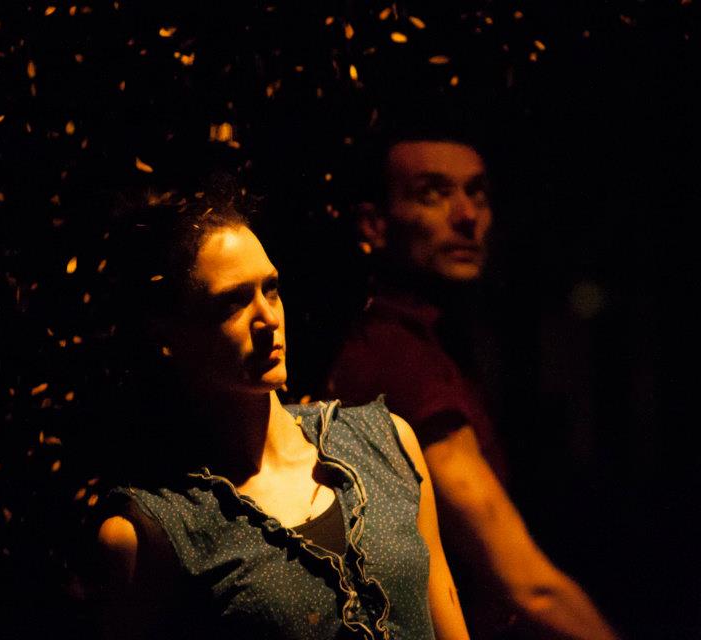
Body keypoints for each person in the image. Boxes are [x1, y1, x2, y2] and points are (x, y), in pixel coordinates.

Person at [95, 195, 468, 639]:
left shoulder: (384, 442)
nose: (268, 318)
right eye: (233, 303)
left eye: (270, 289)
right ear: (167, 334)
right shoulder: (156, 532)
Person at [325, 134, 618, 639]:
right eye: (433, 194)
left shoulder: (430, 339)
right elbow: (528, 587)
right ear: (374, 224)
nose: (467, 216)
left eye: (477, 193)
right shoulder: (398, 357)